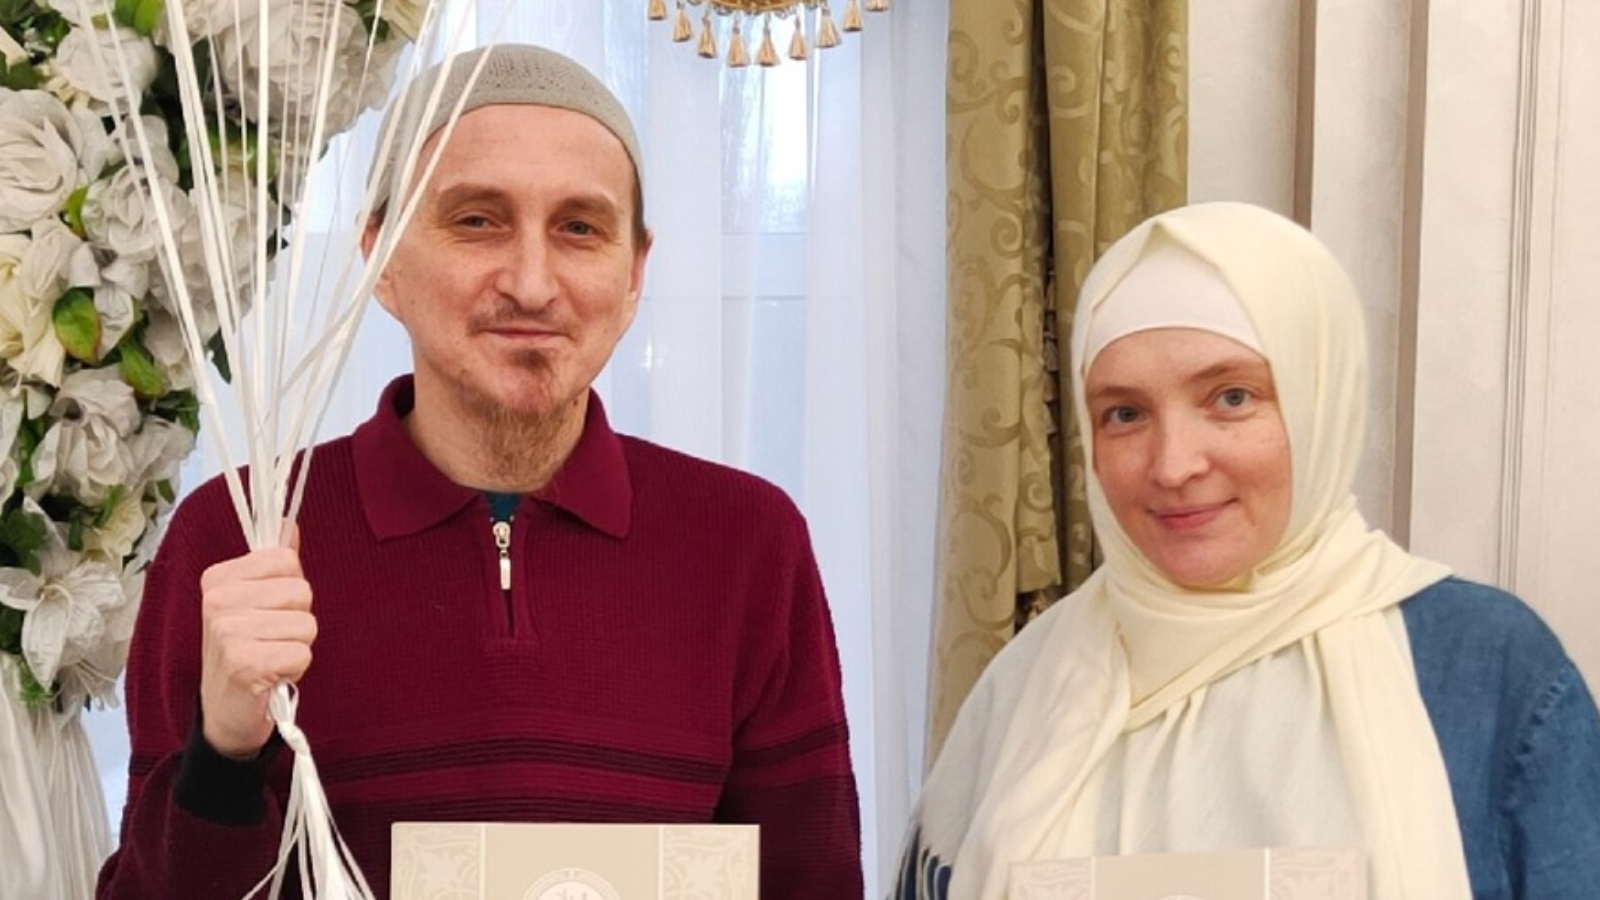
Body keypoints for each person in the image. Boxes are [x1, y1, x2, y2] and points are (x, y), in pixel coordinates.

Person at [97, 44, 863, 900]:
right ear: (381, 257)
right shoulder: (239, 535)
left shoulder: (747, 541)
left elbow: (815, 884)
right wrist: (225, 755)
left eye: (580, 228)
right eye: (476, 221)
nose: (532, 284)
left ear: (635, 271)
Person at [893, 202, 1600, 900]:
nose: (1173, 465)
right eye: (1125, 414)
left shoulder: (1485, 669)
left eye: (1231, 397)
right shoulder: (1026, 684)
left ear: (1319, 401)